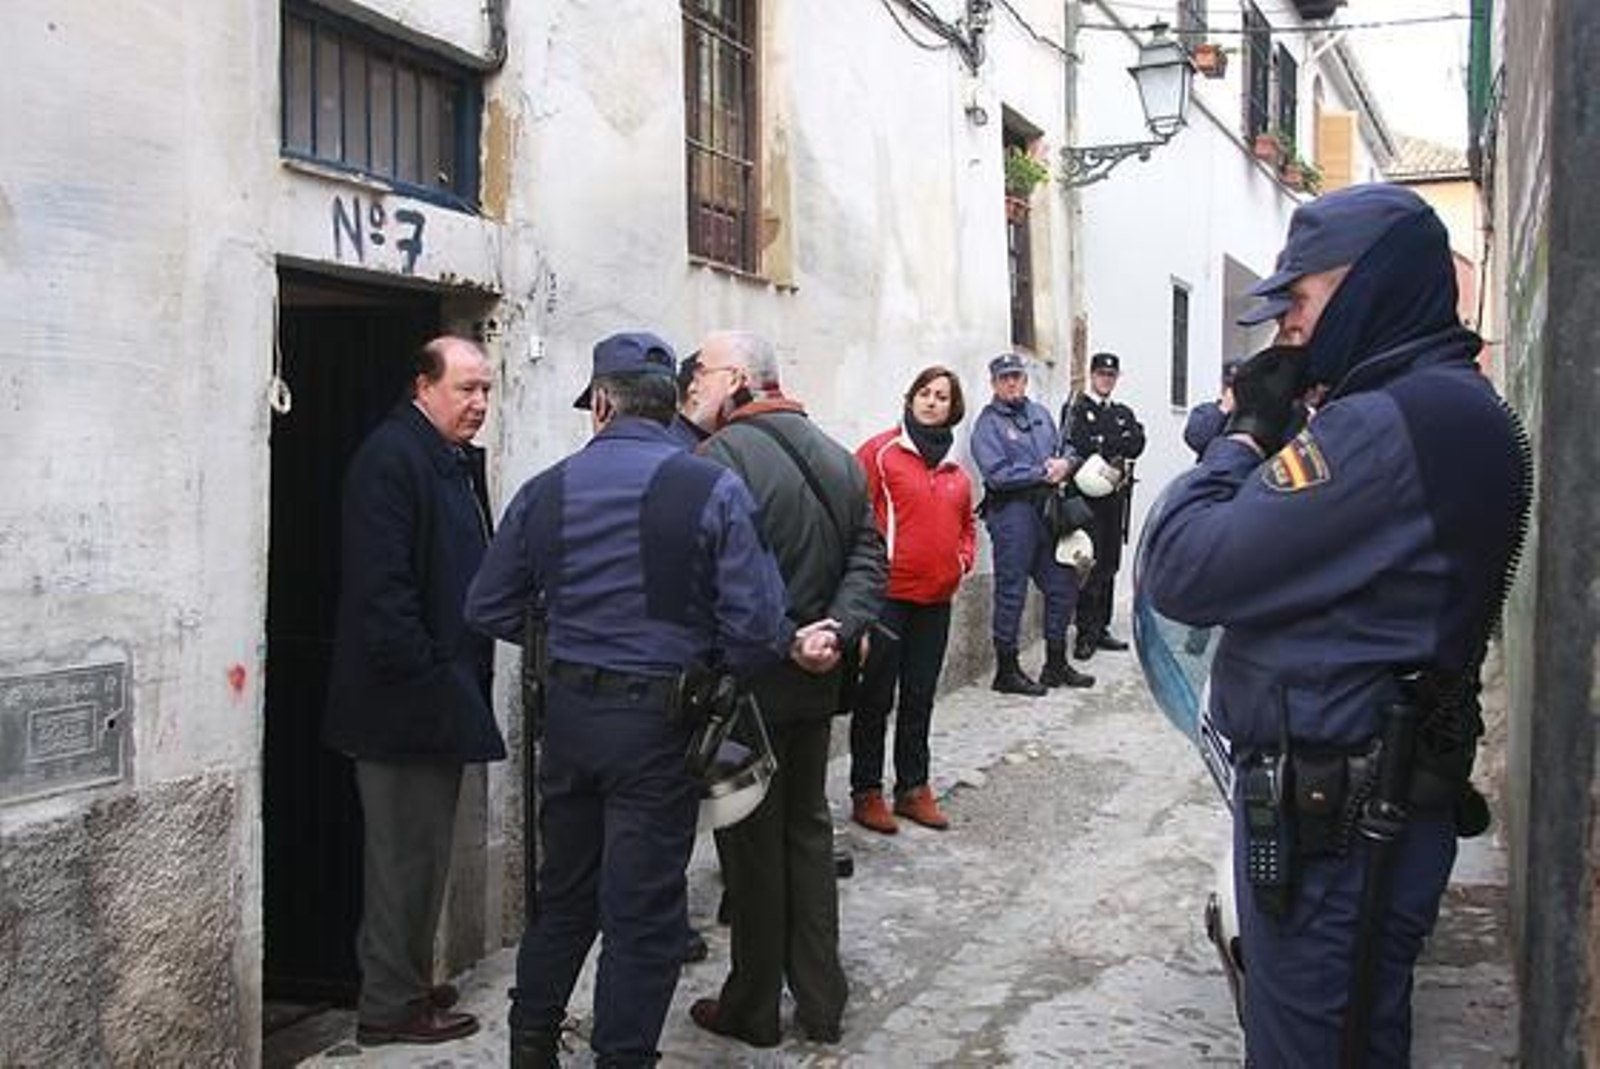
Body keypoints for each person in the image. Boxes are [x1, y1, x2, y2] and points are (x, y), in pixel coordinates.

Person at [1138, 184, 1528, 1066]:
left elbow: (1183, 567)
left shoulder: (1386, 424)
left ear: (1369, 287)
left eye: (1303, 301)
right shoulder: (1429, 404)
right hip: (1355, 803)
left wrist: (1242, 438)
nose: (1291, 331)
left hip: (1337, 829)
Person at [463, 331, 790, 1068]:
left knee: (566, 893)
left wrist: (566, 639)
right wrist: (705, 666)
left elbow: (485, 605)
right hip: (661, 722)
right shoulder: (713, 487)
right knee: (642, 912)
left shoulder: (547, 488)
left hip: (572, 717)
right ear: (672, 402)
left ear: (602, 402)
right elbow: (760, 627)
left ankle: (532, 1042)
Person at [683, 329, 887, 1049]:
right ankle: (822, 999)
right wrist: (837, 627)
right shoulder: (837, 454)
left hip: (748, 686)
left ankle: (754, 1006)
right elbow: (869, 552)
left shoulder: (715, 460)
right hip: (816, 682)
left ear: (738, 377)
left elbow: (718, 581)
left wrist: (786, 638)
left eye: (701, 372)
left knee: (750, 843)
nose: (693, 386)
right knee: (806, 829)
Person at [322, 335, 505, 1047]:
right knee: (402, 857)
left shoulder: (444, 461)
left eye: (486, 389)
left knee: (424, 853)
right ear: (422, 386)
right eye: (466, 388)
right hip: (404, 702)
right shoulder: (392, 459)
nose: (479, 403)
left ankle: (405, 979)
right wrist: (432, 678)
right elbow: (383, 593)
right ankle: (389, 1005)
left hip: (436, 693)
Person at [849, 366, 977, 834]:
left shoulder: (956, 472)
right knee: (875, 697)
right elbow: (851, 511)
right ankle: (866, 791)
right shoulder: (880, 453)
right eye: (925, 393)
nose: (931, 402)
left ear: (952, 408)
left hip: (935, 600)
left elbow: (967, 527)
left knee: (920, 696)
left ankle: (913, 789)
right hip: (887, 598)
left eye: (942, 397)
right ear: (911, 398)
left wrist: (961, 562)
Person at [969, 352, 1093, 695]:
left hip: (1047, 512)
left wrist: (1066, 463)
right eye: (1004, 378)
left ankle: (1055, 664)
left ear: (1025, 380)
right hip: (1012, 514)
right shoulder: (988, 424)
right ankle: (1006, 671)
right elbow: (996, 474)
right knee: (1012, 591)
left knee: (1063, 583)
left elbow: (1065, 447)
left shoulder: (1039, 414)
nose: (1012, 383)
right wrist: (1041, 471)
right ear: (994, 383)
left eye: (1017, 377)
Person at [1062, 351, 1146, 661]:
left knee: (1110, 561)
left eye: (1110, 376)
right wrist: (1112, 442)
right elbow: (1083, 444)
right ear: (1091, 375)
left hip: (1114, 499)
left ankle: (1101, 627)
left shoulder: (1123, 411)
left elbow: (1137, 442)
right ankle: (1085, 631)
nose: (1105, 380)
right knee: (1088, 562)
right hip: (1086, 501)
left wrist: (1106, 442)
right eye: (1100, 375)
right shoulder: (1077, 409)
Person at [1182, 356, 1242, 459]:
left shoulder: (1251, 415)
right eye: (1228, 385)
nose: (1232, 391)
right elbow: (1197, 440)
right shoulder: (1205, 412)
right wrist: (1223, 410)